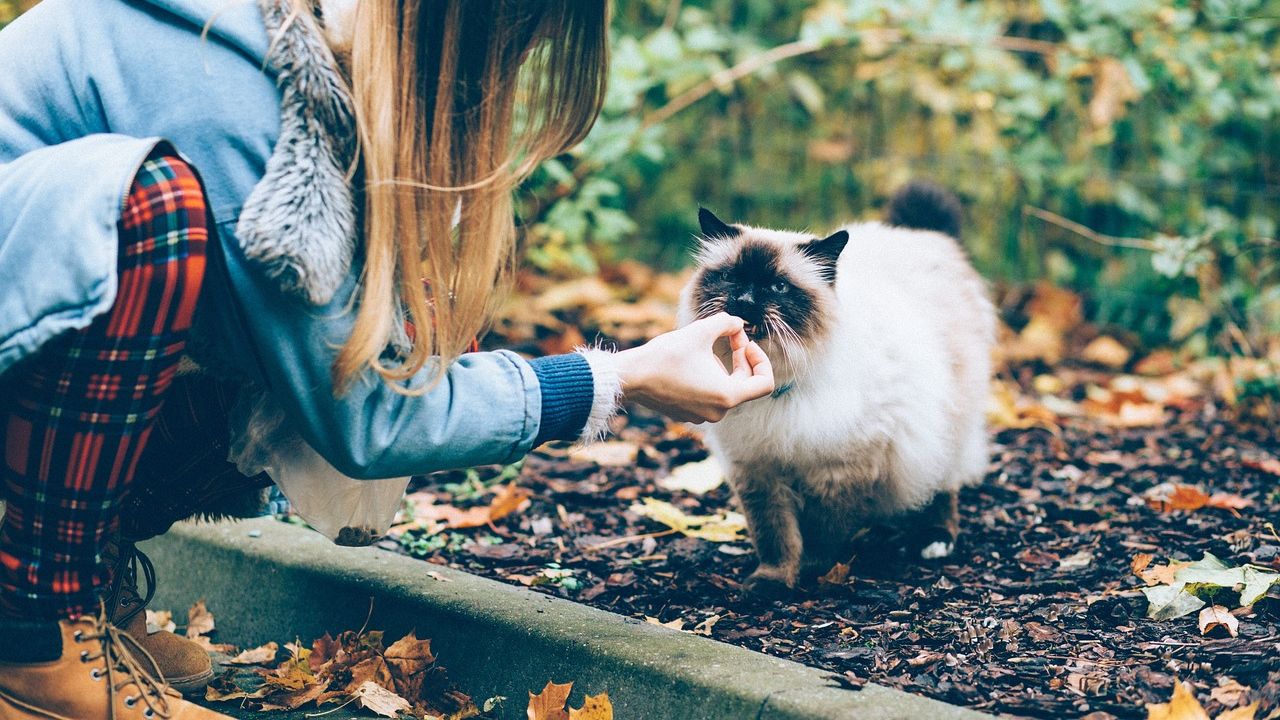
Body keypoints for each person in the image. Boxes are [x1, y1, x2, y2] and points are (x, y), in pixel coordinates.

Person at [0, 1, 775, 717]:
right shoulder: (229, 77)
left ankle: (82, 585)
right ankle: (33, 634)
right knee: (155, 216)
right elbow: (365, 413)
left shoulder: (309, 56)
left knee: (310, 323)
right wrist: (622, 376)